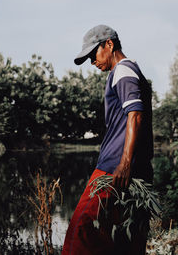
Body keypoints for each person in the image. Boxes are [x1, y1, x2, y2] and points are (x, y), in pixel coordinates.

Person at [62, 25, 153, 255]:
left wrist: (124, 163)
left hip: (113, 171)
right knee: (125, 240)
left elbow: (136, 115)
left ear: (109, 44)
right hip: (135, 172)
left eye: (94, 55)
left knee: (80, 233)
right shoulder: (131, 71)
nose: (93, 62)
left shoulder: (123, 70)